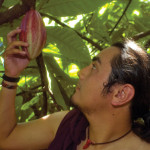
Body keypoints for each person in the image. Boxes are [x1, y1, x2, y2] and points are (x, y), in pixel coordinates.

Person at [0, 28, 150, 150]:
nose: (81, 72)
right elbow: (6, 139)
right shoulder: (66, 124)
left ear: (121, 94)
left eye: (94, 67)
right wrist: (11, 76)